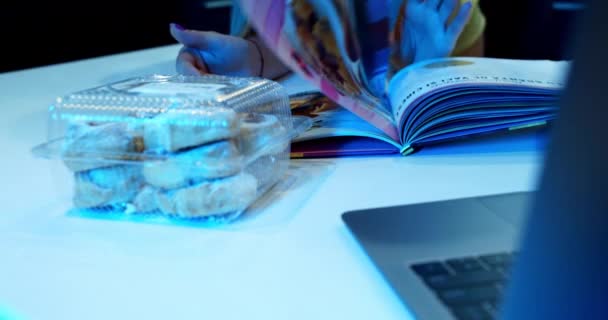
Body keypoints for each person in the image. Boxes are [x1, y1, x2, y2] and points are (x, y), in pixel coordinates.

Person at [169, 0, 485, 80]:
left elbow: (480, 111)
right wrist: (254, 58)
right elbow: (302, 40)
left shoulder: (438, 8)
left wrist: (425, 72)